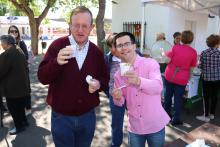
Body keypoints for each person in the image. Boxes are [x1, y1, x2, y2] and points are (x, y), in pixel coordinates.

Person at [37, 6, 109, 147]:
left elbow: (105, 79)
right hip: (61, 117)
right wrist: (56, 62)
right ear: (70, 25)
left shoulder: (97, 52)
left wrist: (99, 84)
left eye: (84, 26)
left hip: (88, 116)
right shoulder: (57, 45)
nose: (80, 30)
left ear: (91, 27)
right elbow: (42, 77)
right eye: (76, 25)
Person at [111, 32, 170, 147]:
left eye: (127, 44)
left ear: (134, 46)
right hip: (135, 127)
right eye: (120, 45)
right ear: (117, 49)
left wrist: (139, 81)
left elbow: (158, 87)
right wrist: (117, 97)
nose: (124, 48)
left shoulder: (150, 63)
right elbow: (120, 101)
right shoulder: (119, 74)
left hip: (155, 125)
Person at [163, 30, 197, 125]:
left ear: (181, 38)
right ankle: (175, 119)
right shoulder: (193, 52)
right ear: (191, 39)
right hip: (182, 78)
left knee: (167, 97)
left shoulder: (175, 47)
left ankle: (166, 117)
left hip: (170, 75)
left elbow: (167, 61)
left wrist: (164, 55)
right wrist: (189, 79)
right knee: (178, 99)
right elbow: (192, 69)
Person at [0, 35, 29, 135]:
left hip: (13, 88)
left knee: (14, 108)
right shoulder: (17, 48)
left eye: (2, 42)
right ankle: (24, 122)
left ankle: (19, 126)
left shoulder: (7, 54)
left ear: (6, 43)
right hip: (21, 86)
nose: (1, 44)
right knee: (20, 107)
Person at [105, 33, 125, 147]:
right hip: (115, 97)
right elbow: (104, 78)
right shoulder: (108, 59)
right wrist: (110, 93)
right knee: (117, 123)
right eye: (109, 46)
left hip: (133, 96)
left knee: (136, 122)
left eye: (114, 46)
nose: (111, 49)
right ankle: (115, 144)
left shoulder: (134, 55)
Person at [8, 25, 32, 115]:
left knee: (26, 90)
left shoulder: (21, 43)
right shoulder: (7, 44)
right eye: (11, 31)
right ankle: (20, 108)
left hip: (22, 72)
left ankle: (28, 108)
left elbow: (26, 56)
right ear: (8, 32)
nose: (14, 33)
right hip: (11, 73)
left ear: (18, 33)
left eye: (15, 31)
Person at [196, 34, 220, 122]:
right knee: (214, 96)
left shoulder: (204, 52)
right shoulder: (219, 53)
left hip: (206, 78)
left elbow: (200, 66)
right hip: (217, 78)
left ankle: (206, 115)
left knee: (206, 96)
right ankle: (212, 114)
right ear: (217, 43)